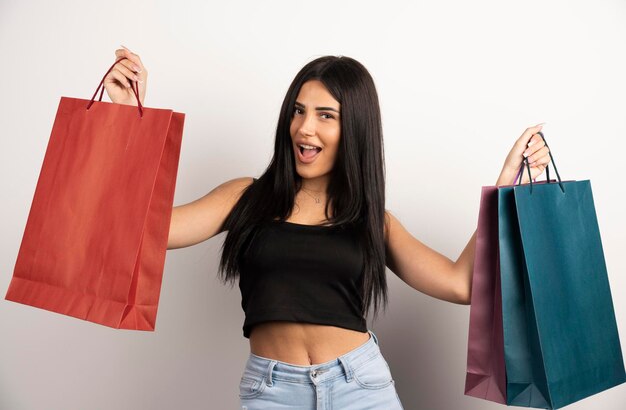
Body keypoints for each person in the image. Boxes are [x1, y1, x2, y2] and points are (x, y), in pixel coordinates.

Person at [104, 45, 551, 409]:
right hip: (271, 393)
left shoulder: (372, 220)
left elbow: (460, 283)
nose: (304, 128)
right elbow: (145, 231)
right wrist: (124, 121)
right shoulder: (246, 197)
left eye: (325, 115)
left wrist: (505, 186)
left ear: (354, 128)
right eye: (298, 111)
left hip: (361, 388)